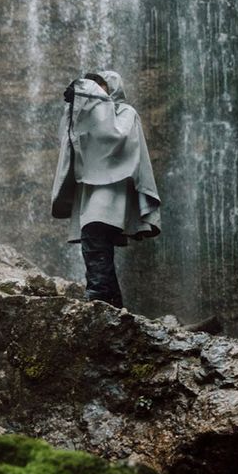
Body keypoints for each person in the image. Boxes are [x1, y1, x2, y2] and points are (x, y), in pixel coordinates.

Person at [51, 70, 161, 308]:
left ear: (111, 90)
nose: (93, 93)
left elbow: (112, 136)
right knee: (97, 242)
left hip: (112, 189)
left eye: (99, 87)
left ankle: (99, 293)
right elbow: (68, 137)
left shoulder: (124, 113)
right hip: (91, 189)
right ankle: (113, 303)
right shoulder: (88, 117)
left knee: (95, 236)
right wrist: (77, 102)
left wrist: (85, 89)